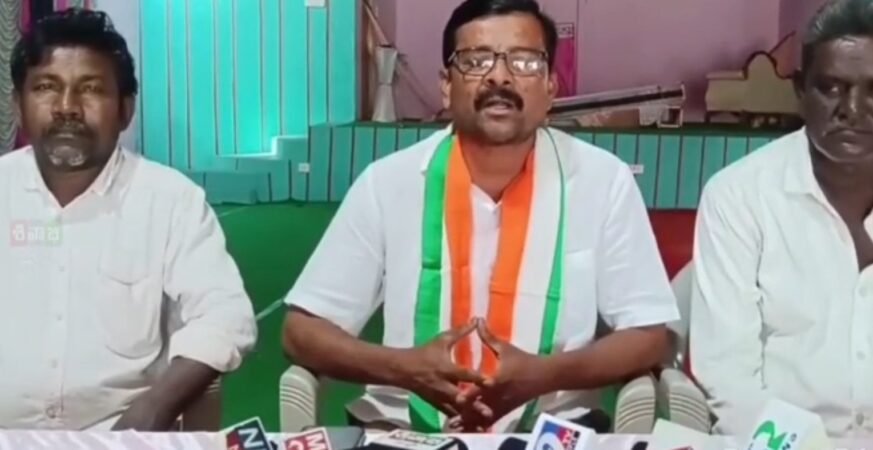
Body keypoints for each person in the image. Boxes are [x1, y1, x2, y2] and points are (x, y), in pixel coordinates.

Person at [282, 0, 679, 433]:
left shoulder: (603, 180)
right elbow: (302, 331)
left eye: (524, 61)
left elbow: (647, 336)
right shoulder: (388, 182)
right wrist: (402, 368)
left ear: (551, 86)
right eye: (475, 61)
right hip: (403, 433)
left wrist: (545, 375)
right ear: (446, 86)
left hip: (551, 433)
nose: (499, 77)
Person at [0, 9, 257, 430]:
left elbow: (226, 316)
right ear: (18, 105)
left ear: (125, 109)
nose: (67, 107)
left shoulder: (171, 201)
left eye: (90, 89)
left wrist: (154, 408)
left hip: (121, 435)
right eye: (46, 87)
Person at [690, 0, 873, 438]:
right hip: (779, 443)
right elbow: (729, 381)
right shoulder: (738, 197)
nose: (852, 108)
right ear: (800, 92)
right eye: (831, 87)